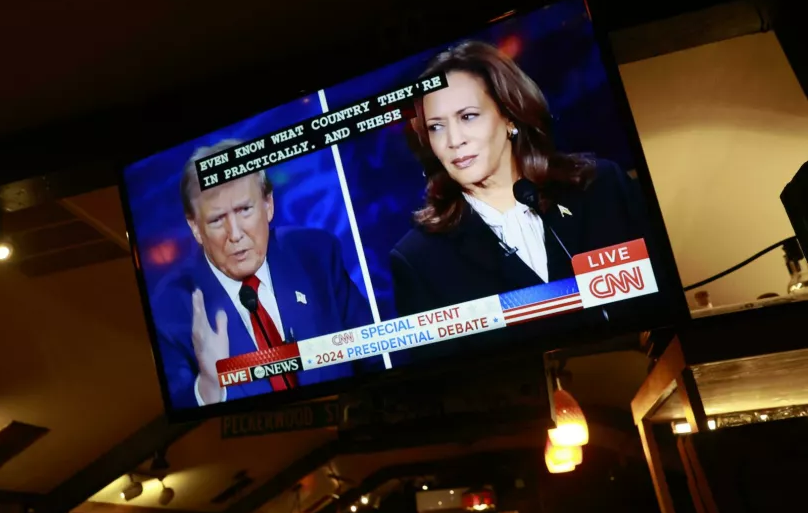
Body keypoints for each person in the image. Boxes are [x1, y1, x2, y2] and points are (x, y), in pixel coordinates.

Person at [391, 40, 645, 316]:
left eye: (468, 116)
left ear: (509, 116)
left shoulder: (601, 187)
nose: (454, 140)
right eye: (436, 127)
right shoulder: (419, 258)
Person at [154, 140, 375, 409]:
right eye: (216, 220)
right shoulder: (172, 310)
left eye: (244, 210)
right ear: (195, 228)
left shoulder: (316, 255)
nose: (235, 234)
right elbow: (180, 418)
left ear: (268, 204)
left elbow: (376, 357)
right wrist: (209, 386)